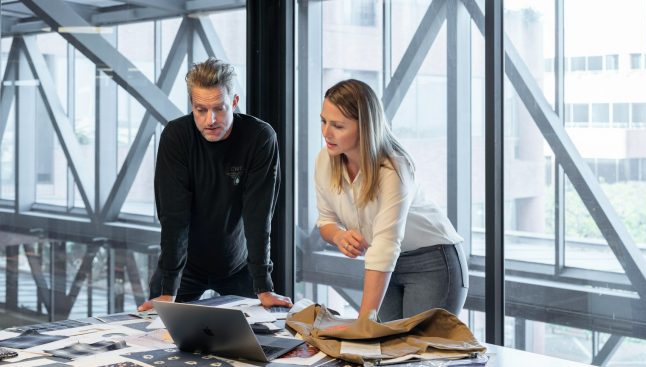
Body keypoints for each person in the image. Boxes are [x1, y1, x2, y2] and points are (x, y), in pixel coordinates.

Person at [138, 58, 291, 311]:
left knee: (259, 338)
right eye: (200, 110)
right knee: (158, 333)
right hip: (184, 267)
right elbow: (174, 218)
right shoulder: (176, 137)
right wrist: (168, 289)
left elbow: (259, 216)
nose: (210, 120)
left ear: (234, 102)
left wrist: (264, 286)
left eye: (219, 109)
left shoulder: (260, 138)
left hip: (239, 265)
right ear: (192, 106)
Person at [315, 79, 469, 321]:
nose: (326, 132)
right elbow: (325, 221)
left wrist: (363, 324)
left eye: (338, 126)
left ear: (364, 127)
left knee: (417, 353)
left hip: (431, 262)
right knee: (385, 349)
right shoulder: (325, 160)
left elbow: (386, 246)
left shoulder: (394, 168)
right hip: (383, 264)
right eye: (323, 121)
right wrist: (338, 235)